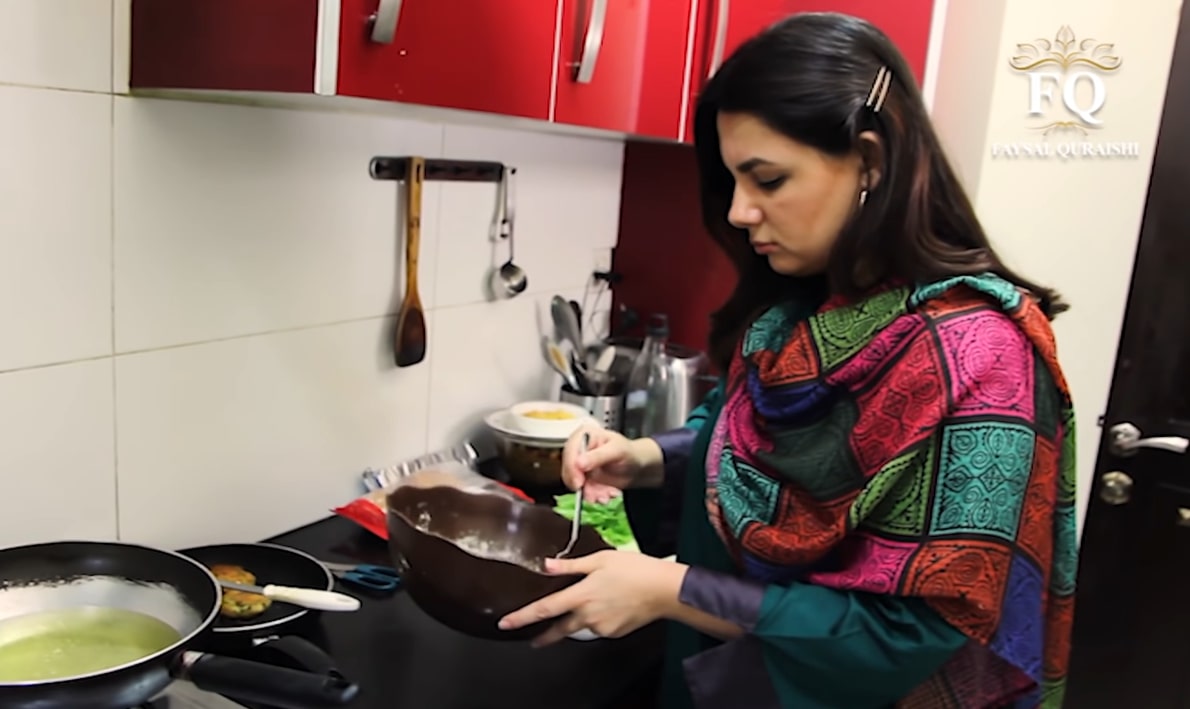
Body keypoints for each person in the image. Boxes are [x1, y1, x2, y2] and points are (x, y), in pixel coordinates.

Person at [498, 11, 1077, 709]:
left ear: (870, 161)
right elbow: (733, 437)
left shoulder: (983, 359)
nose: (740, 211)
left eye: (768, 180)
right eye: (733, 181)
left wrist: (670, 588)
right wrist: (648, 456)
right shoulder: (798, 312)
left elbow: (914, 628)